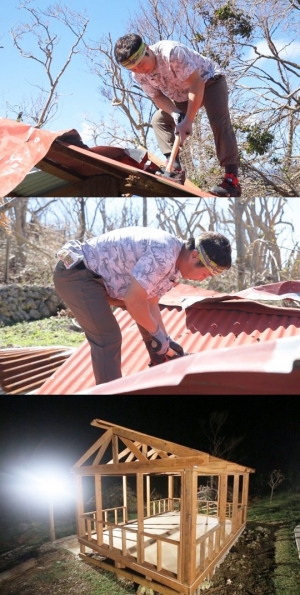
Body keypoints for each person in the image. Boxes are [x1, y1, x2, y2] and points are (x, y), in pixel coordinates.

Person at [53, 226, 232, 386]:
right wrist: (158, 334)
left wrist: (165, 341)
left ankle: (161, 361)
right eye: (205, 274)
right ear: (194, 256)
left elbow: (150, 302)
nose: (203, 280)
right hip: (77, 273)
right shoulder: (164, 253)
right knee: (108, 337)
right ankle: (110, 396)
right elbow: (133, 301)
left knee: (149, 321)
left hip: (100, 282)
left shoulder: (176, 267)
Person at [114, 33, 241, 197]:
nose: (139, 71)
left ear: (146, 49)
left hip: (208, 82)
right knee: (158, 120)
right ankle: (175, 169)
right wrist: (175, 114)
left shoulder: (171, 53)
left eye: (141, 64)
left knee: (218, 121)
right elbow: (157, 96)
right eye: (133, 69)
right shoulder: (137, 74)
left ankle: (232, 181)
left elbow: (196, 83)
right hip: (180, 96)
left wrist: (188, 120)